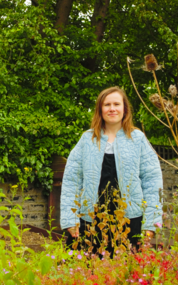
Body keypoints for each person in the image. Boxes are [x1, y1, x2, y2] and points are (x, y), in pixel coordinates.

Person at [60, 86, 163, 256]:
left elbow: (153, 182)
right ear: (100, 109)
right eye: (107, 104)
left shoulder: (138, 139)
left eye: (117, 104)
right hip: (90, 222)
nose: (112, 108)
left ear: (125, 108)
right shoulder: (87, 139)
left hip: (130, 221)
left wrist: (151, 223)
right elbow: (72, 180)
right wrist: (70, 220)